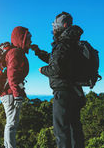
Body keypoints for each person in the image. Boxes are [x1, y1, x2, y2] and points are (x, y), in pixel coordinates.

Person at [31, 12, 86, 148]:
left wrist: (42, 70)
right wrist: (38, 52)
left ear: (64, 25)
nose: (53, 28)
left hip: (63, 93)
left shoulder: (63, 45)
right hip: (75, 91)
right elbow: (56, 60)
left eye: (55, 25)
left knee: (61, 131)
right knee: (75, 130)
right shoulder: (73, 43)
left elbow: (56, 69)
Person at [0, 26, 31, 148]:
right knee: (11, 124)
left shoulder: (16, 52)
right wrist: (17, 95)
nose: (30, 41)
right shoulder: (15, 53)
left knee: (11, 124)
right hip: (10, 94)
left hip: (10, 93)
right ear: (21, 39)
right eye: (28, 38)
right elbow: (12, 75)